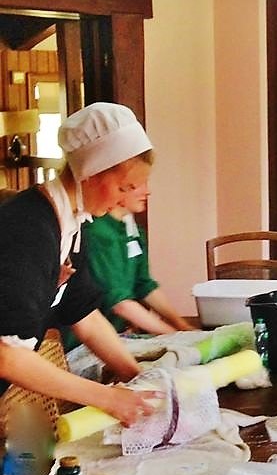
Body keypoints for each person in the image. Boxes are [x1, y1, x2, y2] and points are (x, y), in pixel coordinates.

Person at [0, 102, 161, 426]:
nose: (127, 199)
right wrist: (108, 399)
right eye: (123, 187)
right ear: (90, 173)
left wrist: (136, 376)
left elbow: (83, 314)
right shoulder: (28, 228)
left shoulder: (71, 226)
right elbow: (6, 355)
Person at [81, 166, 194, 338]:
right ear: (119, 187)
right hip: (92, 341)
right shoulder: (98, 233)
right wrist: (176, 335)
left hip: (121, 334)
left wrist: (182, 326)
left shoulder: (134, 231)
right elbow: (120, 304)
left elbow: (144, 285)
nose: (147, 192)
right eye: (139, 184)